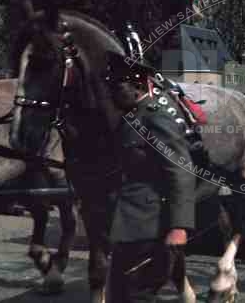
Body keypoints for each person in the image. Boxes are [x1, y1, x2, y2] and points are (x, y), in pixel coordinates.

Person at [104, 52, 197, 303]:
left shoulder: (155, 118)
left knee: (138, 296)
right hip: (127, 227)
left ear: (138, 86)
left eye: (117, 87)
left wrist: (179, 227)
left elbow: (180, 171)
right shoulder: (130, 119)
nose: (112, 93)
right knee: (119, 296)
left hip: (151, 228)